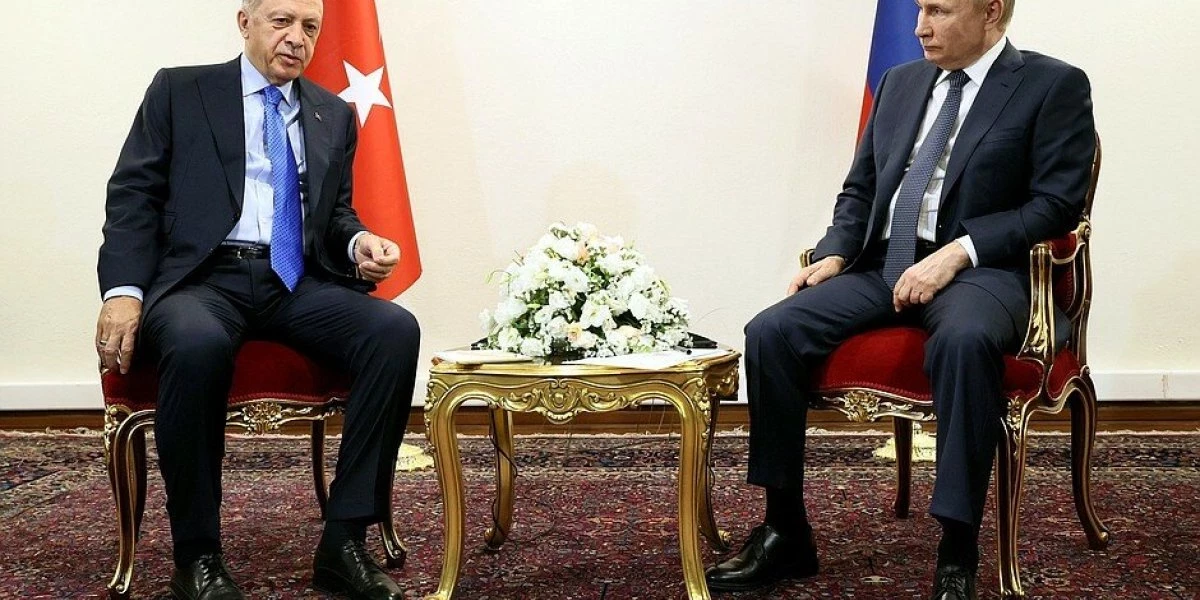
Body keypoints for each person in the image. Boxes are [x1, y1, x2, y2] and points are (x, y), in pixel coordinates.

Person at [705, 1, 1094, 599]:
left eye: (939, 10)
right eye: (918, 9)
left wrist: (960, 251)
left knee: (964, 341)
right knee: (772, 332)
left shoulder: (1051, 85)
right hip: (885, 264)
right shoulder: (899, 81)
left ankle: (957, 551)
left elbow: (1055, 204)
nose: (919, 27)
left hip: (983, 271)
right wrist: (836, 252)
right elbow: (860, 188)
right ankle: (785, 531)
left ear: (991, 11)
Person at [95, 0, 419, 598]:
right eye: (281, 21)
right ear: (245, 23)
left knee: (394, 330)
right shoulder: (180, 91)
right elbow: (133, 195)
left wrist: (359, 244)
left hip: (292, 280)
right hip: (202, 280)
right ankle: (197, 557)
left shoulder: (332, 112)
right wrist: (123, 292)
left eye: (310, 27)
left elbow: (335, 214)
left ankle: (345, 541)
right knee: (196, 344)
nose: (297, 38)